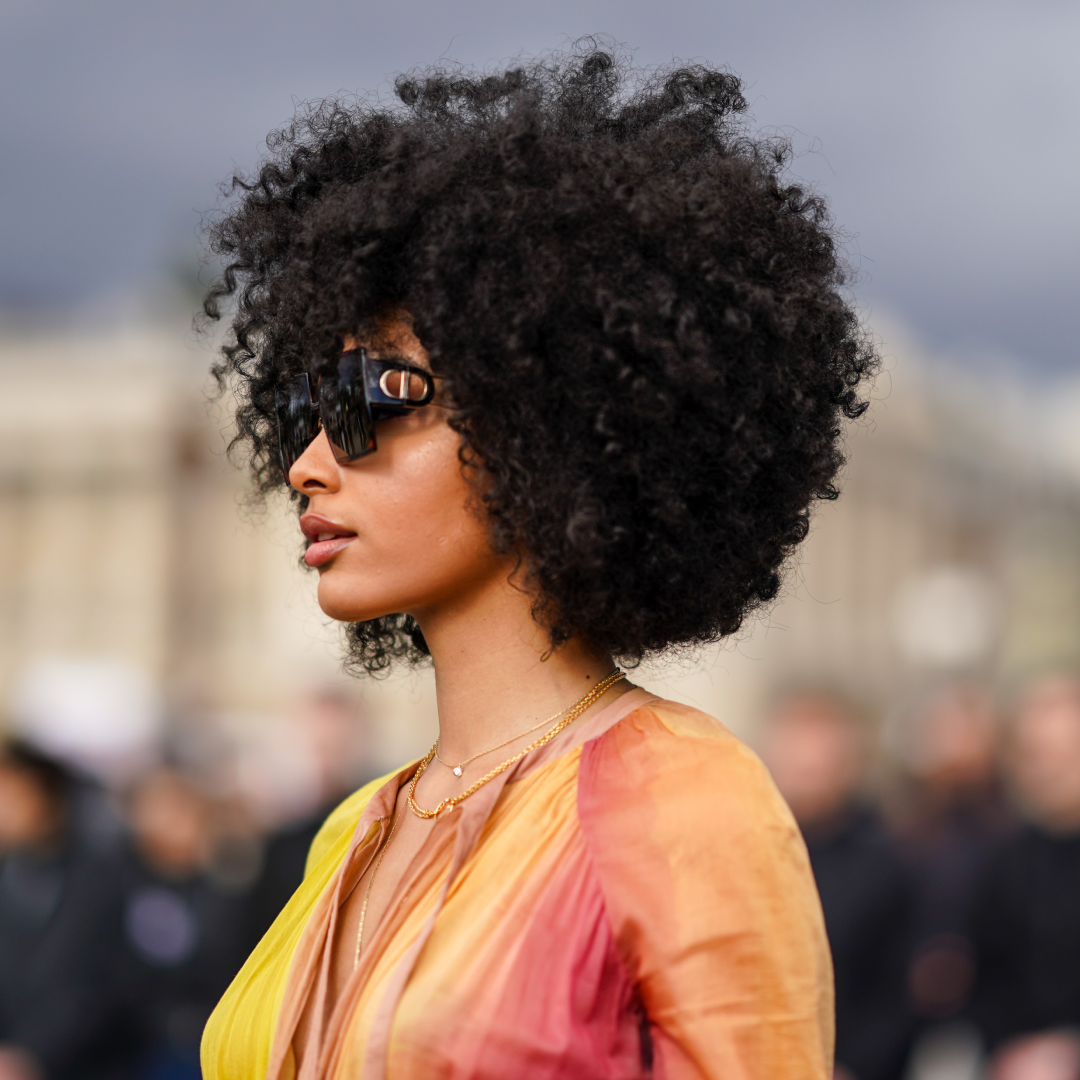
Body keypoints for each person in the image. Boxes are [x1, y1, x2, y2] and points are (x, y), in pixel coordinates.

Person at [199, 44, 877, 1079]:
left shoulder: (684, 796)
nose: (305, 464)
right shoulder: (349, 830)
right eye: (303, 412)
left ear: (548, 416)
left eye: (374, 398)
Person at [761, 692, 917, 1080]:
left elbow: (898, 991)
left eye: (819, 763)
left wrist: (851, 1065)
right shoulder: (745, 849)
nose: (807, 775)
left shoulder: (887, 864)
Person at [0, 741, 135, 1080]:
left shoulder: (100, 878)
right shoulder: (11, 872)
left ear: (46, 796)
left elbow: (93, 986)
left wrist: (31, 1055)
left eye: (11, 796)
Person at [969, 674, 1080, 1078]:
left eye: (1064, 753)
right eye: (1034, 754)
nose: (1049, 770)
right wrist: (1011, 1050)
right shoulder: (1003, 862)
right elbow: (986, 980)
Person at [121, 767, 252, 1079]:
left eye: (183, 809)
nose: (177, 822)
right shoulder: (121, 885)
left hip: (207, 1037)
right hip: (139, 1043)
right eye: (164, 809)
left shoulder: (224, 886)